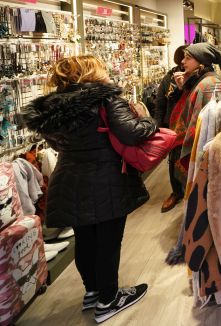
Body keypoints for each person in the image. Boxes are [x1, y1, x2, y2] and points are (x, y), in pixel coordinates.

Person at [22, 55, 156, 322]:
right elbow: (131, 133)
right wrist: (148, 121)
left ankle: (93, 292)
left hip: (68, 179)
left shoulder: (50, 108)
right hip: (105, 179)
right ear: (91, 72)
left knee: (85, 239)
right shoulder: (105, 99)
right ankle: (109, 300)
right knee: (109, 241)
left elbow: (56, 144)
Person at [167, 43, 221, 203]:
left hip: (200, 149)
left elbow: (200, 125)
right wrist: (183, 87)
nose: (182, 61)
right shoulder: (201, 80)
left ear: (201, 62)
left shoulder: (208, 84)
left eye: (188, 58)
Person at [154, 45, 187, 213]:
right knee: (174, 159)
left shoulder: (200, 77)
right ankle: (176, 192)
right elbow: (160, 103)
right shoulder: (169, 77)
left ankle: (191, 190)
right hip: (173, 124)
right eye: (185, 57)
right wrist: (159, 127)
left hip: (191, 122)